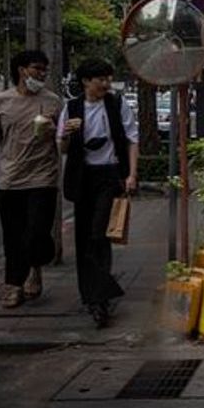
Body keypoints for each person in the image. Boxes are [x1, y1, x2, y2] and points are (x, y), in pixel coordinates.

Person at [57, 59, 139, 328]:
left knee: (98, 233)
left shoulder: (116, 104)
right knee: (85, 238)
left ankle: (100, 296)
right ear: (85, 82)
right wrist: (67, 135)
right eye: (99, 79)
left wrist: (132, 175)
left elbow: (131, 138)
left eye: (107, 78)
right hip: (82, 177)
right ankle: (93, 295)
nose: (105, 84)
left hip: (110, 175)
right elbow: (63, 149)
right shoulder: (71, 108)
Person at [0, 50, 63, 308]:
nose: (41, 74)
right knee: (13, 236)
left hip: (43, 178)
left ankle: (35, 268)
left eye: (44, 70)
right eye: (36, 69)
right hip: (11, 180)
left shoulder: (53, 102)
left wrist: (56, 133)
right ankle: (14, 285)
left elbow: (65, 143)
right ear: (21, 70)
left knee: (37, 232)